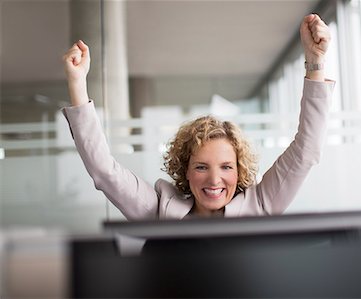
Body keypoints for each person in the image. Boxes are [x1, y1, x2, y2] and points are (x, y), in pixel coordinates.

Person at [62, 14, 335, 220]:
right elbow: (104, 172)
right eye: (202, 167)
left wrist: (315, 62)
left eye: (226, 167)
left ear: (239, 171)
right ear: (186, 171)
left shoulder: (261, 204)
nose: (214, 180)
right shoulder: (159, 209)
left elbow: (306, 150)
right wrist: (77, 84)